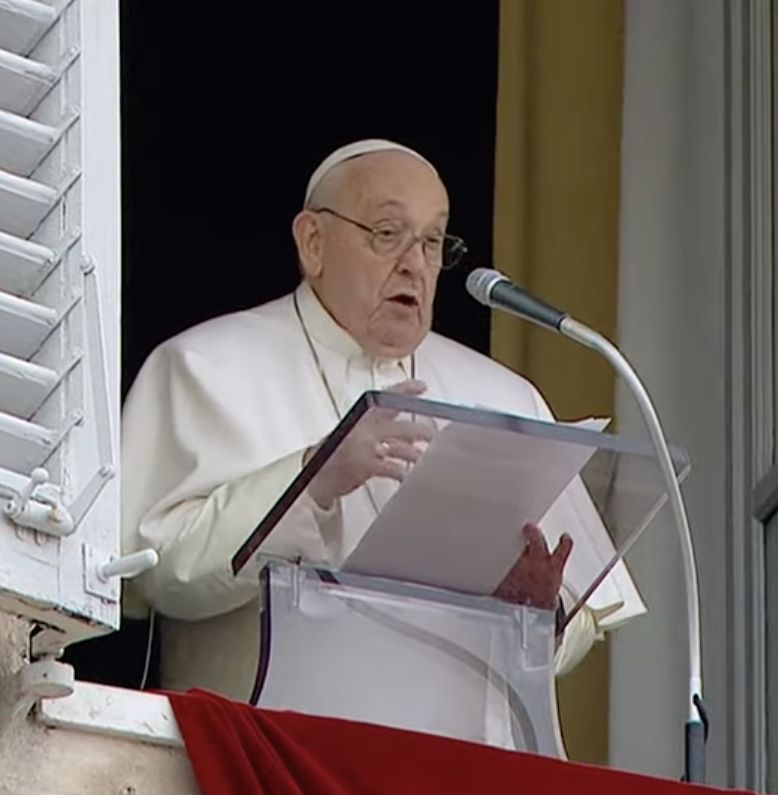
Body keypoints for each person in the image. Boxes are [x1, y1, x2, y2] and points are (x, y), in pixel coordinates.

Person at [121, 138, 638, 704]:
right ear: (313, 242)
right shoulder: (204, 366)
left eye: (433, 242)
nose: (414, 264)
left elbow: (585, 610)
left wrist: (541, 615)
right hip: (264, 747)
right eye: (388, 234)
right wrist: (311, 481)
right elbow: (156, 573)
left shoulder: (506, 399)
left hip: (454, 749)